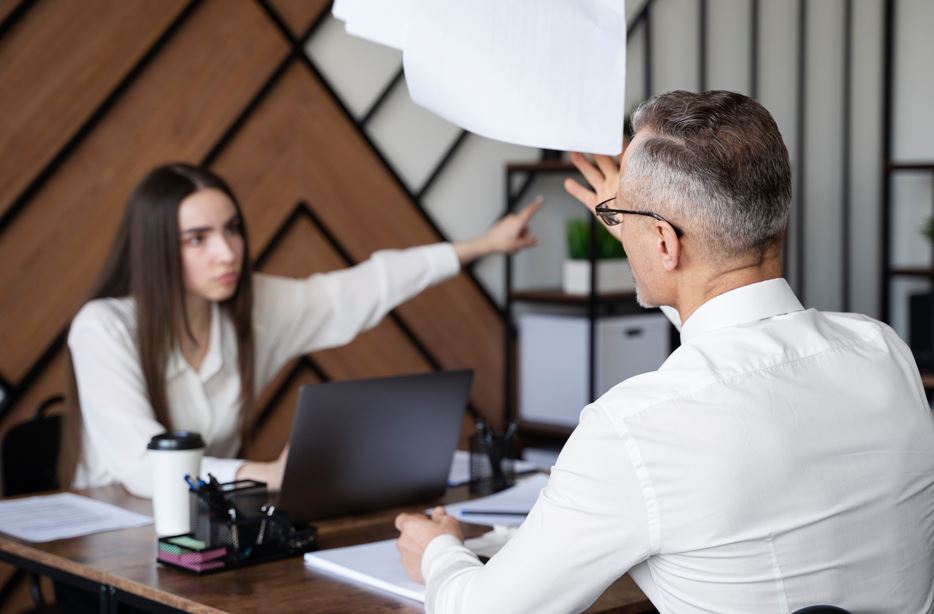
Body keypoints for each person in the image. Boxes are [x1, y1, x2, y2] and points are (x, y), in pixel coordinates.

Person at [395, 90, 934, 612]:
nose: (616, 226)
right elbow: (727, 335)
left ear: (663, 243)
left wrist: (439, 552)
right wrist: (636, 219)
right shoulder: (882, 351)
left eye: (623, 218)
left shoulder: (634, 429)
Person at [63, 163, 541, 498]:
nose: (228, 252)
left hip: (203, 526)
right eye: (198, 239)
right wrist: (267, 475)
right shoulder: (103, 329)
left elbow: (361, 288)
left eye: (232, 229)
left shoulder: (249, 305)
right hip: (108, 543)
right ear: (157, 247)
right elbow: (142, 467)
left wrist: (481, 246)